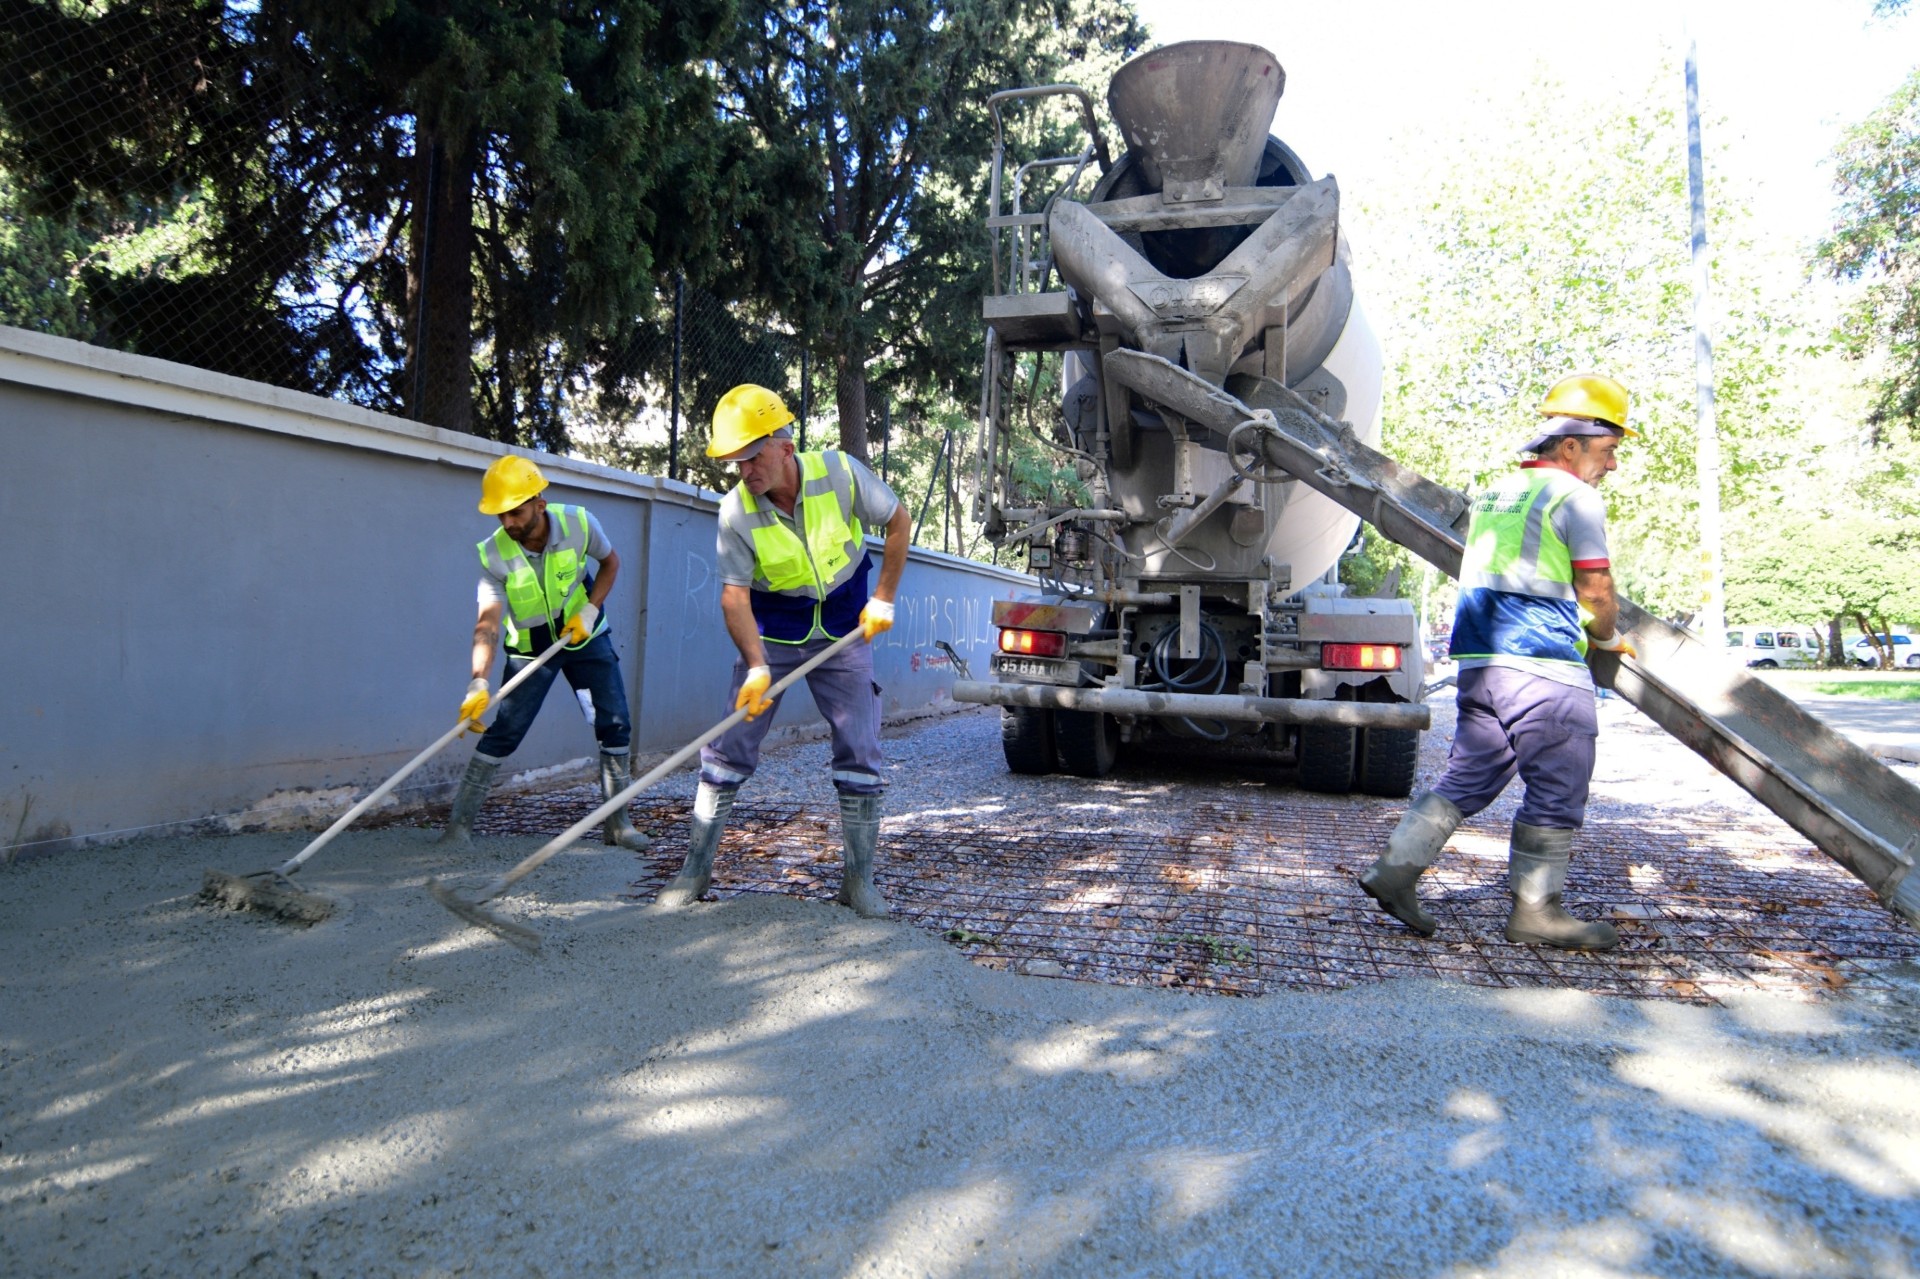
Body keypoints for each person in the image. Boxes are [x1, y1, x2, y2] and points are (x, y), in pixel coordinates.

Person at [1358, 373, 1640, 950]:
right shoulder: (1576, 498)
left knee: (1468, 777)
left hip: (1483, 665)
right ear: (1572, 445)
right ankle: (1537, 912)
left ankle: (1394, 870)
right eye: (1609, 451)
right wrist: (1608, 640)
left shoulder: (1497, 494)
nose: (1611, 465)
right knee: (1558, 787)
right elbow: (1595, 587)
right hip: (1543, 669)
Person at [654, 384, 911, 917]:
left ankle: (858, 882)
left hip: (844, 629)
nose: (744, 470)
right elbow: (734, 595)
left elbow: (898, 520)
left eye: (751, 456)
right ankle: (695, 872)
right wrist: (754, 666)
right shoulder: (736, 512)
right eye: (735, 461)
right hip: (773, 633)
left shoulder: (839, 474)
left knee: (860, 747)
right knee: (729, 745)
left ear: (784, 446)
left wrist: (883, 596)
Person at [438, 454, 652, 852]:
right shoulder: (494, 553)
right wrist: (478, 681)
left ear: (539, 503)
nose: (508, 523)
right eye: (500, 515)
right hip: (531, 649)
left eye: (515, 512)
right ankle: (458, 828)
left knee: (614, 723)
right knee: (504, 731)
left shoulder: (579, 523)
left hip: (585, 637)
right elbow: (486, 622)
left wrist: (589, 609)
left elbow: (610, 563)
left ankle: (618, 825)